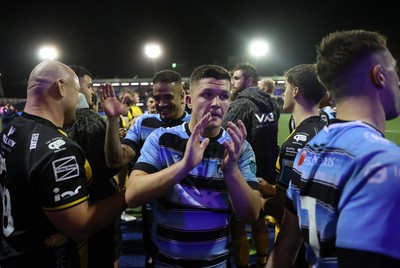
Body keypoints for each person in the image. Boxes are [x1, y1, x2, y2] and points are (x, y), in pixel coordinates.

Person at [267, 29, 400, 268]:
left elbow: (285, 248)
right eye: (394, 70)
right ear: (379, 75)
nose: (397, 80)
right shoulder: (384, 163)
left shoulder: (308, 152)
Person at [118, 64, 261, 267]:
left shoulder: (239, 147)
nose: (216, 103)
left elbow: (252, 214)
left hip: (216, 263)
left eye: (223, 96)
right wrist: (184, 166)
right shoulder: (161, 138)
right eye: (207, 94)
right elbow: (132, 196)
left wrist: (231, 172)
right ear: (189, 101)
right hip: (166, 263)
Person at [0, 60, 127, 267]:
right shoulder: (56, 148)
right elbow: (80, 225)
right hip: (47, 259)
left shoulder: (10, 131)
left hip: (14, 251)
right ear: (60, 87)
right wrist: (129, 195)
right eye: (76, 91)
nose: (79, 98)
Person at [101, 69, 190, 267]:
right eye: (157, 97)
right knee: (155, 261)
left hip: (189, 208)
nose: (161, 103)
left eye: (168, 97)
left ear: (183, 96)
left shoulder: (195, 123)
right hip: (154, 210)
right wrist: (112, 119)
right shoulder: (143, 123)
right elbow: (117, 160)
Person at [264, 63, 328, 268]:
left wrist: (256, 198)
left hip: (296, 249)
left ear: (295, 90)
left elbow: (284, 209)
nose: (283, 94)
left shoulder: (295, 144)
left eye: (286, 88)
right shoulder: (328, 125)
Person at [64, 65, 122, 268]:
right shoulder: (91, 121)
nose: (92, 91)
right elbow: (112, 165)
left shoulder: (48, 124)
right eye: (89, 86)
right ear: (76, 87)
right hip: (97, 214)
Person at [223, 63, 279, 268]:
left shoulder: (241, 103)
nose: (233, 82)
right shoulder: (272, 103)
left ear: (248, 81)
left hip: (244, 169)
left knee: (238, 225)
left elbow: (223, 133)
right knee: (259, 219)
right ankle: (262, 262)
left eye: (236, 78)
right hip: (268, 170)